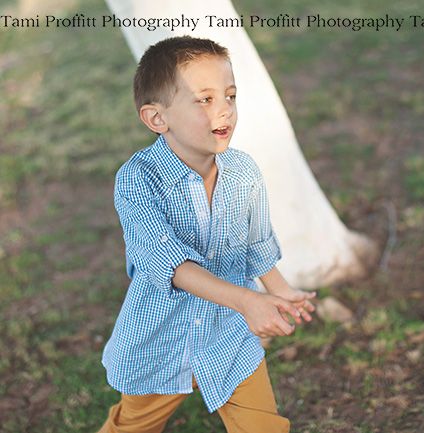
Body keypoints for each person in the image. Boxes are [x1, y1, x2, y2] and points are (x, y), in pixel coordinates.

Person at [97, 35, 316, 433]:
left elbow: (255, 243)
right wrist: (249, 301)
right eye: (205, 99)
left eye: (230, 96)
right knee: (134, 427)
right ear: (157, 118)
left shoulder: (243, 172)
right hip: (161, 338)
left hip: (228, 333)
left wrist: (280, 290)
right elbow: (170, 264)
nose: (225, 109)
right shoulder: (138, 181)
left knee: (263, 427)